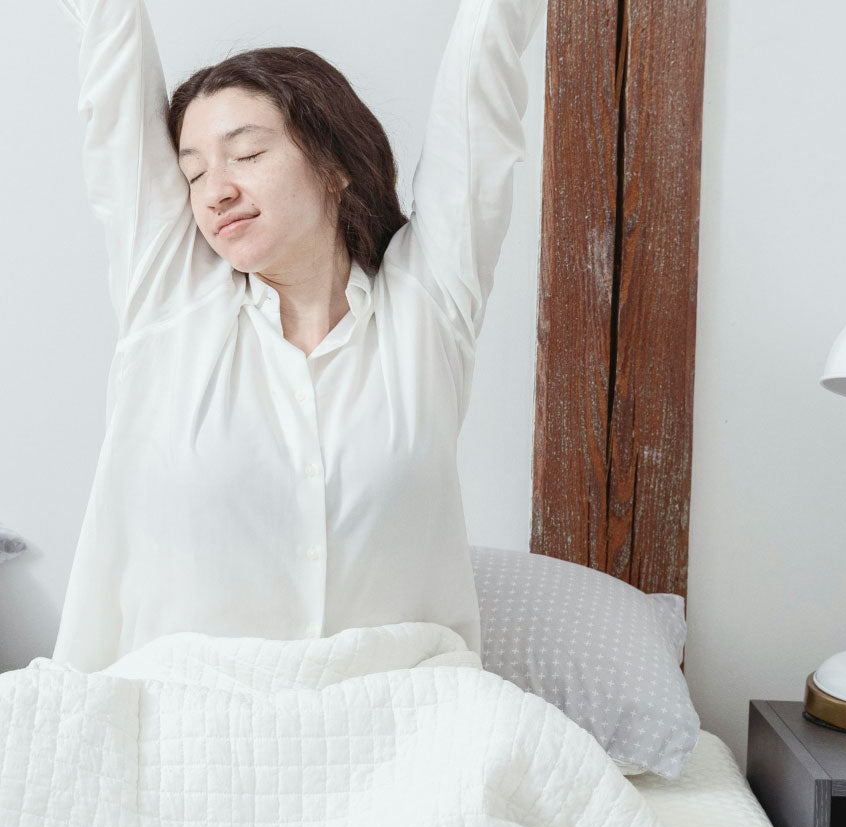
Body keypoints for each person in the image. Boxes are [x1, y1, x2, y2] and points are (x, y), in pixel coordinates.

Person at [51, 0, 547, 672]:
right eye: (193, 174)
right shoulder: (172, 303)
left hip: (397, 713)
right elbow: (113, 41)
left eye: (247, 153)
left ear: (334, 166)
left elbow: (480, 91)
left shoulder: (425, 310)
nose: (215, 190)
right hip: (189, 714)